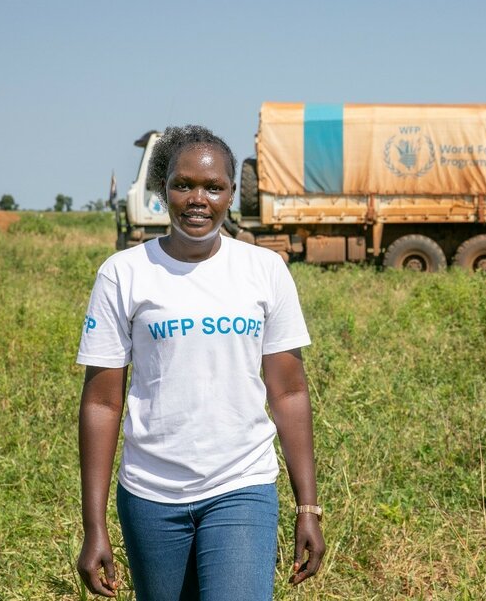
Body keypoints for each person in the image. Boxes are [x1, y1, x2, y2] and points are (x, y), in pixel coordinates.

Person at [75, 125, 325, 600]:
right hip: (150, 496)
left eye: (214, 187)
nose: (198, 199)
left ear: (231, 194)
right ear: (162, 190)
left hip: (241, 485)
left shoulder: (264, 271)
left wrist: (307, 508)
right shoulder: (123, 274)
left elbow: (289, 391)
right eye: (183, 184)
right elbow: (102, 404)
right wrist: (94, 525)